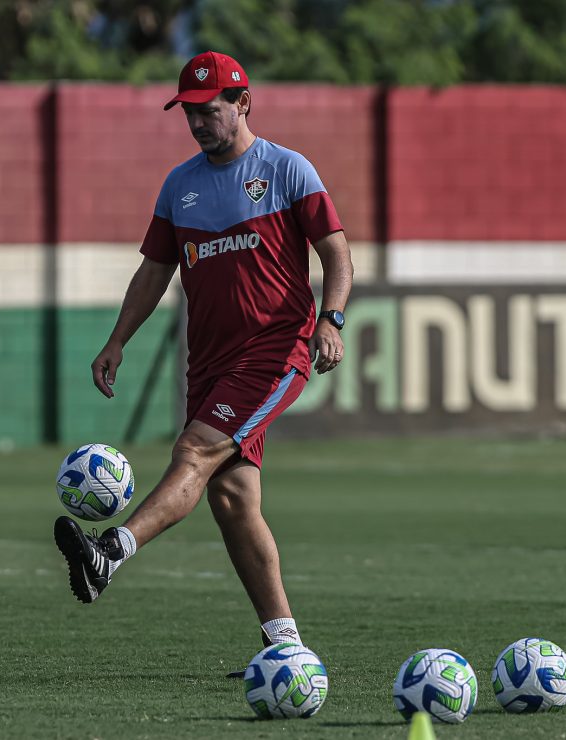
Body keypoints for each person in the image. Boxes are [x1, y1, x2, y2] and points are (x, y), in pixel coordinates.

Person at [54, 50, 353, 653]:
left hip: (276, 350)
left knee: (193, 450)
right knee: (232, 497)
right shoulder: (179, 186)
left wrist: (331, 318)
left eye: (207, 109)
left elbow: (337, 253)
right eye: (188, 111)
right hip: (210, 363)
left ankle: (110, 551)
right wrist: (117, 340)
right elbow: (153, 272)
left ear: (242, 103)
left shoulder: (289, 169)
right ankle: (285, 642)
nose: (195, 122)